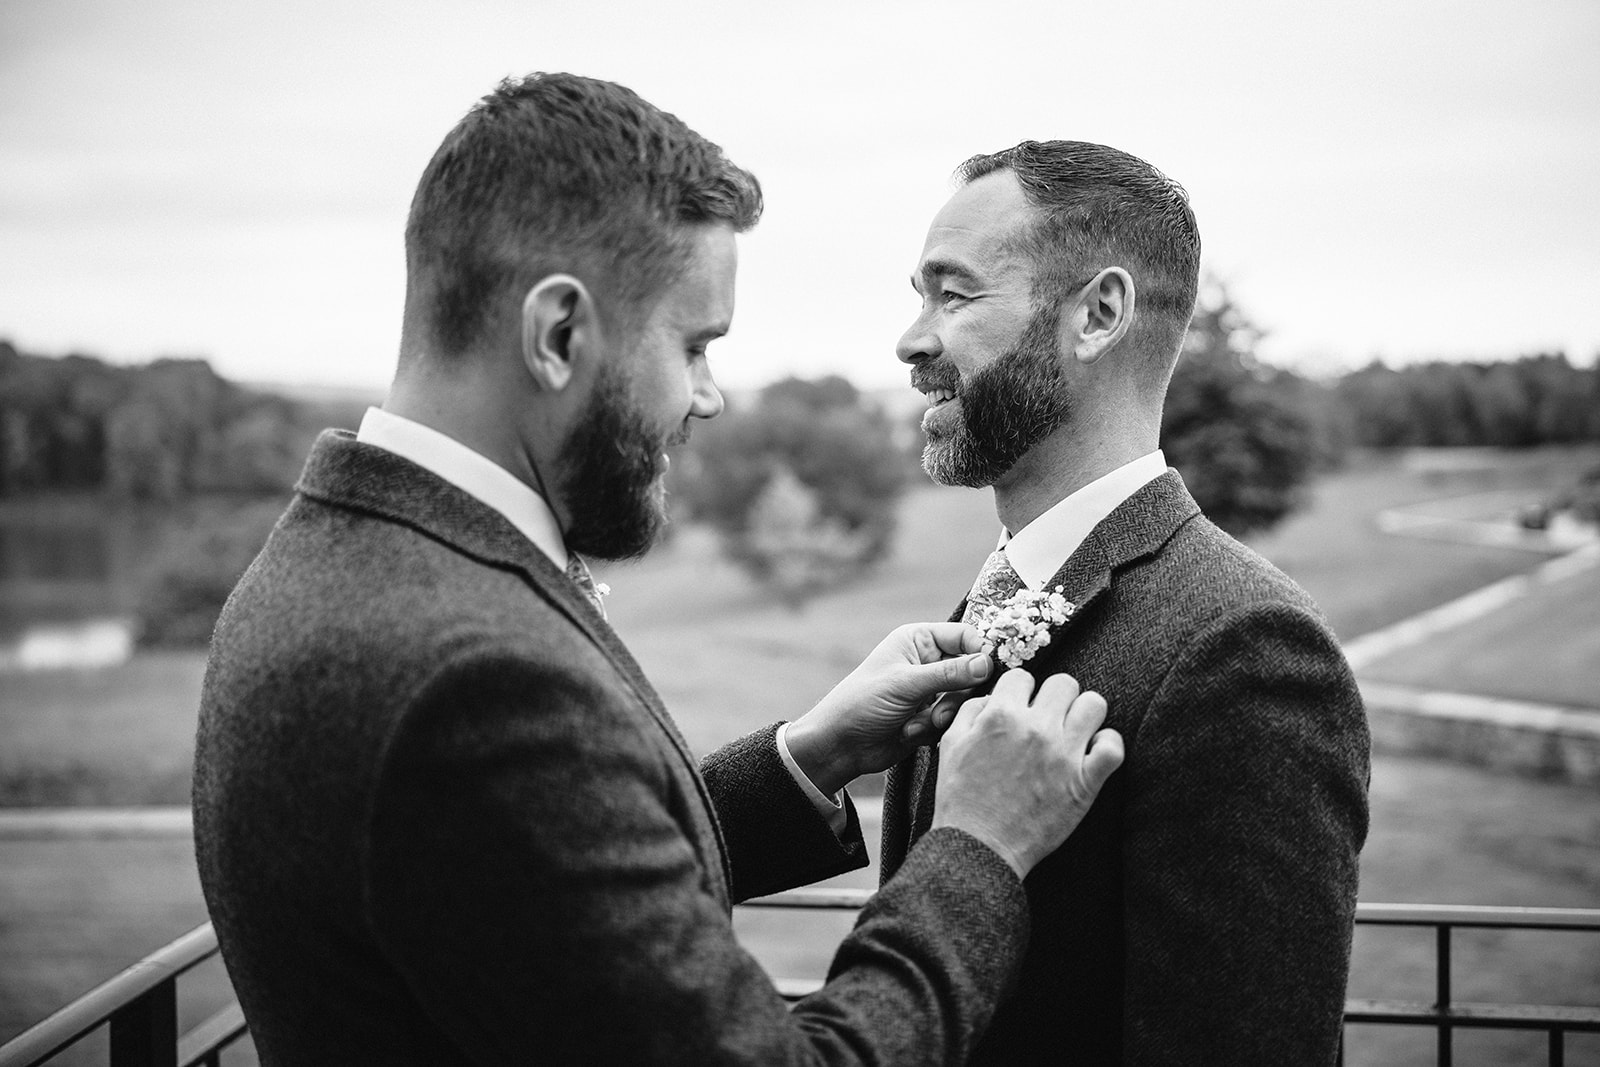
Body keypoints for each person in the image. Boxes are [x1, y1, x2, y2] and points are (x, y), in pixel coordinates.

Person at [191, 75, 1126, 1065]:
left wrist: (807, 754)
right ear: (559, 334)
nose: (710, 398)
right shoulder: (463, 674)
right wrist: (980, 841)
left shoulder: (344, 553)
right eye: (694, 346)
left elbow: (533, 885)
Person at [882, 140, 1371, 1064]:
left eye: (954, 295)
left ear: (1099, 313)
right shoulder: (989, 600)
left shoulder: (1245, 649)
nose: (911, 338)